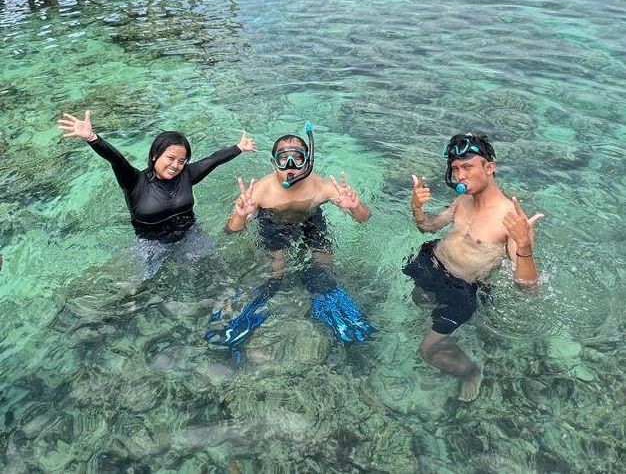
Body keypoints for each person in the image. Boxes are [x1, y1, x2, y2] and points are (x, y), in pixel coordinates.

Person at [206, 124, 374, 358]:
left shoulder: (322, 186)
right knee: (275, 278)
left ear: (307, 162)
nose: (290, 167)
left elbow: (364, 219)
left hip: (311, 221)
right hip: (272, 224)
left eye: (298, 158)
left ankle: (330, 307)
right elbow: (231, 232)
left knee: (322, 274)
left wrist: (355, 208)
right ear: (274, 162)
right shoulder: (261, 191)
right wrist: (241, 215)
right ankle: (247, 315)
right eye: (283, 159)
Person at [404, 132, 543, 402]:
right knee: (419, 300)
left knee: (427, 351)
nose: (459, 176)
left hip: (461, 290)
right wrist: (417, 209)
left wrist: (524, 247)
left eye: (467, 167)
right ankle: (445, 336)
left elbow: (529, 288)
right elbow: (427, 228)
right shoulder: (462, 201)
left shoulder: (511, 220)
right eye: (455, 169)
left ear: (489, 168)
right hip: (433, 265)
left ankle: (470, 370)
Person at [57, 109, 255, 277]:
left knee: (215, 271)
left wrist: (238, 148)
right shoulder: (134, 181)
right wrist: (93, 138)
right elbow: (117, 160)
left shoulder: (186, 175)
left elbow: (213, 160)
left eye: (181, 161)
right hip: (151, 244)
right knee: (145, 286)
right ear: (154, 156)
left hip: (190, 234)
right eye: (170, 158)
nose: (175, 165)